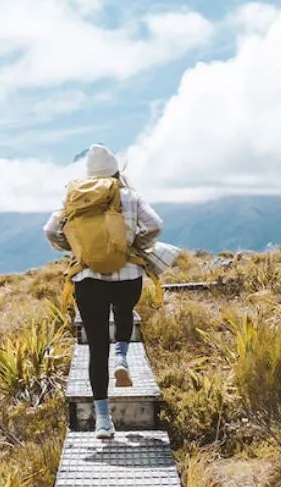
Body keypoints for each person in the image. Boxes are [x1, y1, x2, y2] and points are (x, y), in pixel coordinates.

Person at [43, 143, 163, 439]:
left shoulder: (75, 197)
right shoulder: (130, 196)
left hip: (88, 279)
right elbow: (156, 225)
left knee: (97, 347)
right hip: (127, 275)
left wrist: (75, 248)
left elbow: (50, 230)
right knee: (124, 313)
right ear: (116, 171)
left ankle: (103, 421)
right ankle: (122, 358)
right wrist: (134, 245)